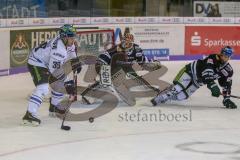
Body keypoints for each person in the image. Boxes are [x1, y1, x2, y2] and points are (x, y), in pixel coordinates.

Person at [22, 24, 80, 126]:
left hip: (47, 62)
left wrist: (76, 62)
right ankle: (30, 114)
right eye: (71, 37)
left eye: (73, 37)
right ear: (64, 37)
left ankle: (54, 107)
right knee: (43, 88)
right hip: (36, 62)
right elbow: (55, 72)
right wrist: (67, 83)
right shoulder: (59, 50)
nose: (73, 39)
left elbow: (71, 51)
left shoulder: (66, 42)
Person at [81, 33, 160, 103]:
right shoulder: (116, 49)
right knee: (106, 83)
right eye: (124, 41)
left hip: (127, 68)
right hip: (112, 68)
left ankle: (152, 90)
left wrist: (152, 64)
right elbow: (103, 57)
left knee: (137, 79)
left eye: (128, 42)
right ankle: (90, 94)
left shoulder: (137, 50)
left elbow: (143, 62)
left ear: (132, 43)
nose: (125, 44)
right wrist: (102, 68)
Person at [151, 46, 237, 109]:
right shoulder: (213, 58)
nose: (225, 58)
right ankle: (161, 97)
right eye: (223, 55)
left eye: (227, 57)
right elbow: (207, 73)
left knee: (182, 96)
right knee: (178, 88)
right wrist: (212, 86)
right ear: (221, 54)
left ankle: (168, 96)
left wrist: (227, 99)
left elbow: (226, 85)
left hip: (197, 82)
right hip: (190, 72)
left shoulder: (228, 70)